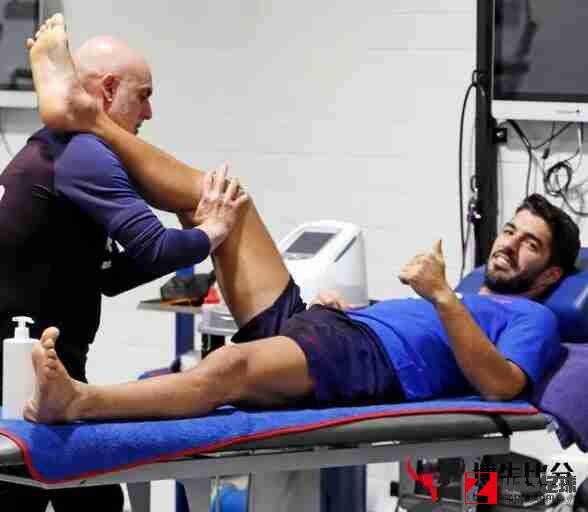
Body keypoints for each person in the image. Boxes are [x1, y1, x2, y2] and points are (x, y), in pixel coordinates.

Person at [23, 15, 581, 425]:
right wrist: (359, 307)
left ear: (553, 274)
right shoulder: (466, 295)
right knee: (223, 203)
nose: (508, 245)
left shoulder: (533, 319)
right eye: (510, 230)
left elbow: (501, 385)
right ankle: (85, 117)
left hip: (369, 360)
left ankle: (78, 401)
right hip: (336, 327)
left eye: (530, 244)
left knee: (231, 366)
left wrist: (442, 297)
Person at [0, 20, 247, 512]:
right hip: (32, 366)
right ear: (109, 89)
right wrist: (211, 233)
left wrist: (191, 243)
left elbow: (108, 277)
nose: (150, 112)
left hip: (30, 360)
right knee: (90, 497)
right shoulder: (85, 153)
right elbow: (154, 248)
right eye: (143, 95)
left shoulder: (42, 151)